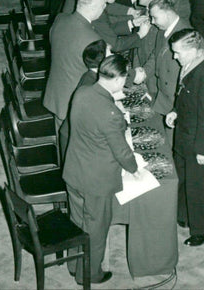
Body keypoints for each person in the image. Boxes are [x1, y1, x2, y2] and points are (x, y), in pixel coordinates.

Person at [62, 54, 139, 285]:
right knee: (96, 231)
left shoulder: (82, 92)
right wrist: (134, 168)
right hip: (96, 183)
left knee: (77, 222)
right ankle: (90, 274)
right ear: (118, 80)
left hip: (74, 172)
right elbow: (122, 151)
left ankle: (74, 264)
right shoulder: (111, 113)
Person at [166, 28, 204, 246]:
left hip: (199, 145)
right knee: (184, 179)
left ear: (195, 50)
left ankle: (203, 229)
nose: (174, 56)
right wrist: (175, 111)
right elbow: (185, 98)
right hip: (184, 137)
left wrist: (202, 151)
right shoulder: (190, 65)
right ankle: (185, 215)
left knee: (199, 188)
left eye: (178, 52)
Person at [43, 0, 106, 132]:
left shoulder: (60, 19)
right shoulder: (93, 40)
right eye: (103, 5)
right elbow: (100, 75)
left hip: (57, 94)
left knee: (61, 141)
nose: (104, 8)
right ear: (94, 8)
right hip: (74, 103)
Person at [141, 0, 191, 116]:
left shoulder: (187, 35)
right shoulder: (162, 30)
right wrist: (144, 72)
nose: (152, 22)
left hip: (175, 98)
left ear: (167, 14)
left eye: (154, 17)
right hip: (163, 93)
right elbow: (156, 54)